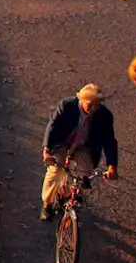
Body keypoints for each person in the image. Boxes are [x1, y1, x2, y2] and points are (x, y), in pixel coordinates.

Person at [40, 84, 118, 221]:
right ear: (81, 99)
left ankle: (75, 194)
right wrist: (46, 150)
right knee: (55, 170)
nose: (94, 109)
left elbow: (109, 141)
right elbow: (52, 126)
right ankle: (47, 204)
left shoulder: (105, 115)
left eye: (97, 105)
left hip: (84, 145)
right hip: (62, 142)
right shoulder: (66, 106)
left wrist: (112, 166)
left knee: (84, 172)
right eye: (90, 104)